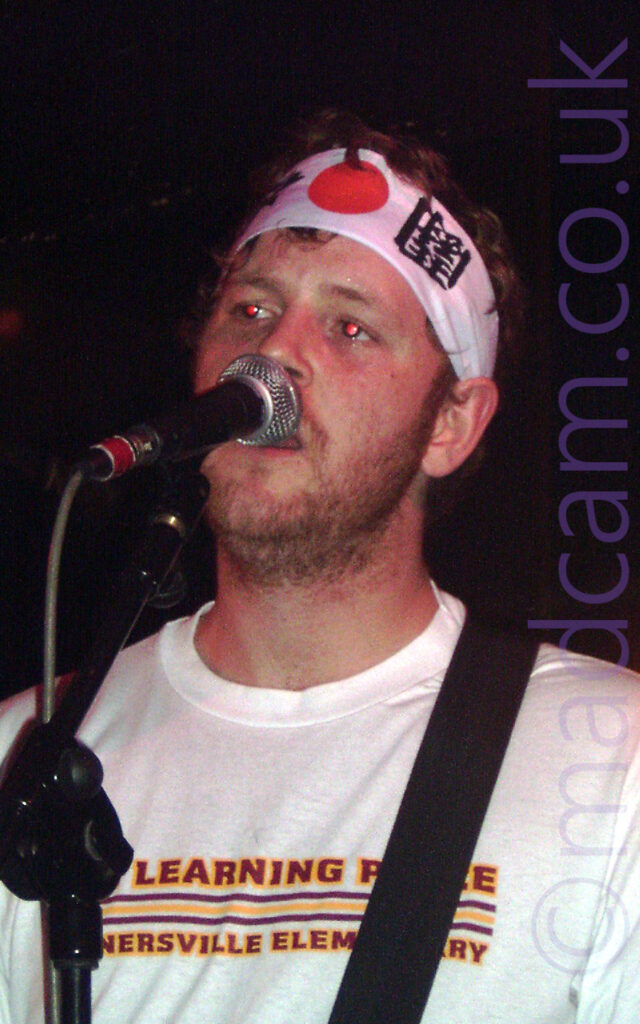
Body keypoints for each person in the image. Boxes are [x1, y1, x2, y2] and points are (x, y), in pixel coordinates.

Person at [1, 110, 639, 1023]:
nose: (275, 353)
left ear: (452, 422)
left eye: (350, 327)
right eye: (252, 309)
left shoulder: (610, 764)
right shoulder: (31, 756)